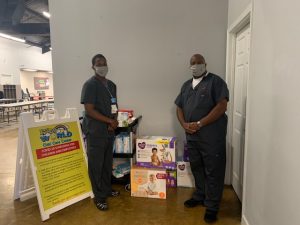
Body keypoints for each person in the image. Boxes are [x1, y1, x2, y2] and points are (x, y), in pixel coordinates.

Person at [175, 54, 229, 223]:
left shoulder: (215, 82)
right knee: (197, 167)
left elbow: (222, 106)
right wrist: (184, 124)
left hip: (211, 137)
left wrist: (199, 123)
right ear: (189, 66)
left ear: (205, 64)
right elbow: (179, 107)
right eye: (193, 63)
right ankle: (200, 195)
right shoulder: (186, 86)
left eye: (199, 62)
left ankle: (212, 206)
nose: (196, 65)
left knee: (213, 170)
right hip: (192, 137)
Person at [80, 54, 120, 211]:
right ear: (93, 67)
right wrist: (109, 121)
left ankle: (106, 189)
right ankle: (99, 197)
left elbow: (115, 105)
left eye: (104, 63)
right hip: (96, 131)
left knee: (106, 162)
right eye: (98, 64)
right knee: (96, 164)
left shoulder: (112, 85)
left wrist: (114, 120)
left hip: (109, 130)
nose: (102, 66)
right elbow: (89, 110)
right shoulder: (90, 85)